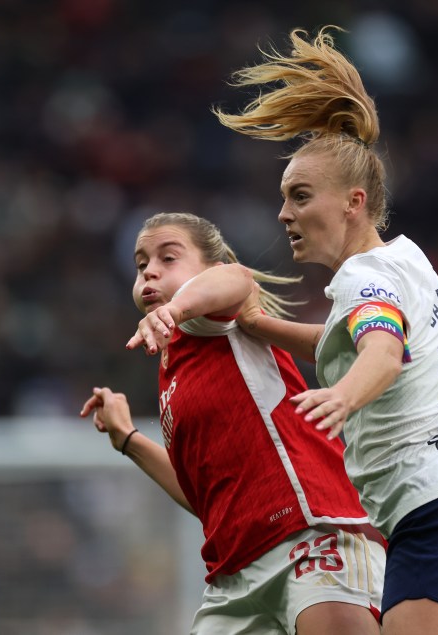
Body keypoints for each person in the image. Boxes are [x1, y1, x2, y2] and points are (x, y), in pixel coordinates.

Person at [212, 26, 438, 635]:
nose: (284, 213)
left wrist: (341, 398)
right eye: (283, 198)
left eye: (300, 195)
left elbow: (382, 355)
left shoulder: (363, 278)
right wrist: (259, 324)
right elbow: (356, 342)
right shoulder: (403, 260)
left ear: (353, 201)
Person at [80, 212, 387, 635]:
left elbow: (238, 279)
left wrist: (175, 308)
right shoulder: (172, 369)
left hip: (309, 537)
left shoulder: (209, 318)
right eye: (141, 264)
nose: (149, 269)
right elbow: (204, 497)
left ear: (210, 267)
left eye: (168, 258)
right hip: (236, 576)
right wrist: (129, 440)